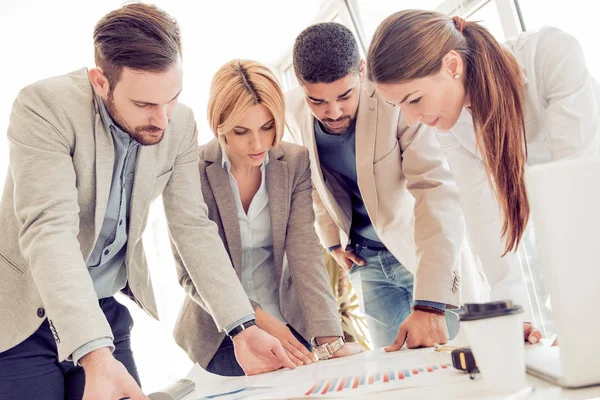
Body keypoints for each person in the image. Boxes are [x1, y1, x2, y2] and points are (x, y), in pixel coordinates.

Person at [0, 5, 293, 399]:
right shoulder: (44, 107)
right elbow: (49, 231)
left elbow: (192, 227)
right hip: (21, 320)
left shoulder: (180, 124)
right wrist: (94, 354)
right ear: (100, 82)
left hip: (103, 309)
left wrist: (240, 326)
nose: (163, 119)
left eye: (171, 99)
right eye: (144, 105)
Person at [367, 10, 600, 344]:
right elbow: (485, 221)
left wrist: (578, 312)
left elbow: (572, 195)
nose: (412, 118)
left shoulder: (551, 54)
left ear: (452, 65)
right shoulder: (450, 122)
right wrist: (511, 314)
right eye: (400, 106)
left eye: (414, 99)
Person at [285, 22, 488, 351]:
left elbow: (435, 191)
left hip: (422, 255)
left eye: (344, 96)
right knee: (392, 377)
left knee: (454, 365)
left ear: (362, 72)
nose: (332, 112)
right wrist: (331, 242)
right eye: (317, 101)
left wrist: (431, 302)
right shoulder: (293, 112)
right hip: (367, 266)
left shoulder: (398, 103)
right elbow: (315, 180)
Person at [173, 60, 363, 376]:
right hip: (221, 332)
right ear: (218, 124)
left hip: (292, 322)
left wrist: (329, 338)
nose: (258, 143)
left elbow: (305, 253)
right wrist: (260, 320)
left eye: (267, 127)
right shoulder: (191, 172)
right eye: (241, 131)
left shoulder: (293, 161)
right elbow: (190, 273)